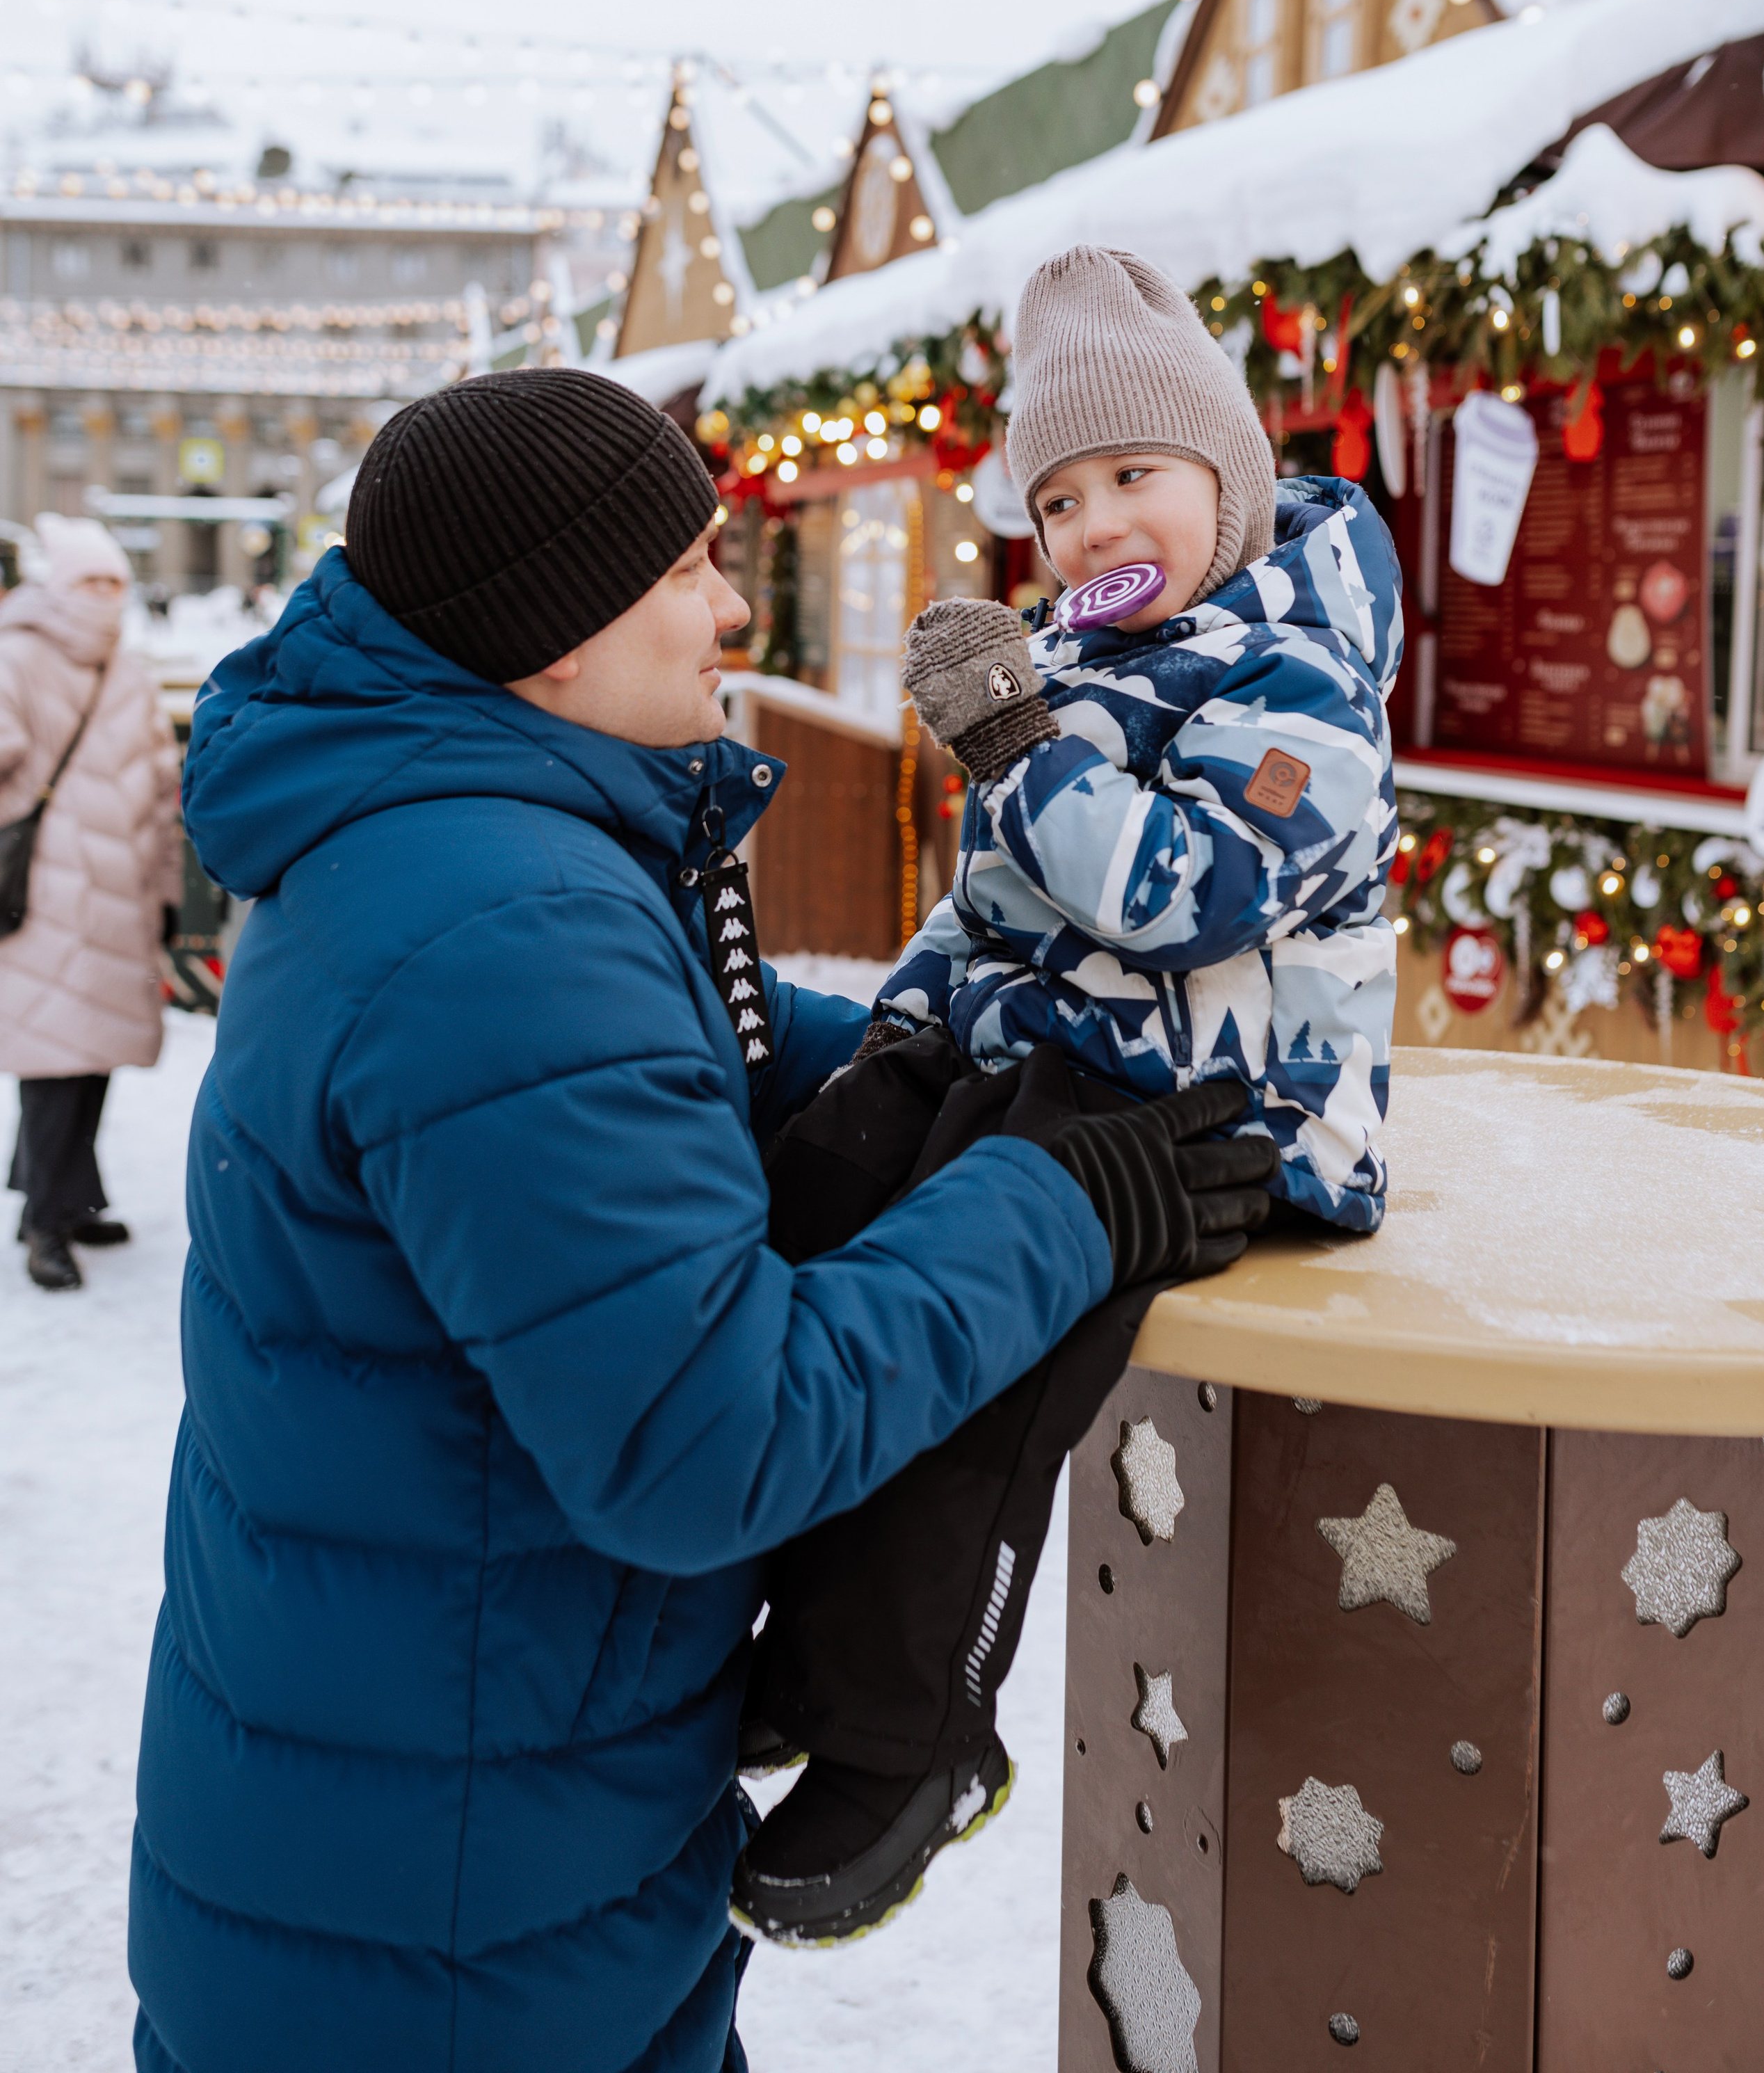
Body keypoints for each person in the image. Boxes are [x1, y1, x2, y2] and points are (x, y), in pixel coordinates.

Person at [128, 369, 1275, 2073]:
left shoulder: (449, 837)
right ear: (553, 636)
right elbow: (704, 1438)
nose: (733, 609)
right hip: (453, 1941)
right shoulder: (504, 928)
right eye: (685, 569)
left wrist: (952, 1047)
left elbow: (681, 1066)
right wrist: (1061, 1201)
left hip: (439, 1830)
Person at [732, 244, 1401, 1945]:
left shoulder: (1295, 678)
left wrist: (1021, 750)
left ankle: (913, 1735)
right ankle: (808, 1645)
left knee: (983, 1334)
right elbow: (989, 902)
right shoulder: (1075, 668)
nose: (1095, 526)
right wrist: (901, 1037)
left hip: (1225, 1107)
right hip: (1064, 1056)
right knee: (825, 1187)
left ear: (1226, 479)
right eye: (1056, 498)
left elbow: (1185, 894)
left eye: (1131, 477)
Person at [0, 513, 182, 1291]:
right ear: (58, 585)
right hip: (47, 893)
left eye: (115, 581)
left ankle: (65, 1200)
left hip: (120, 895)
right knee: (54, 1056)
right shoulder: (17, 657)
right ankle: (47, 1219)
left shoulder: (128, 672)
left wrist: (166, 892)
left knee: (93, 1055)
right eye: (89, 581)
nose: (103, 596)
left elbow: (163, 794)